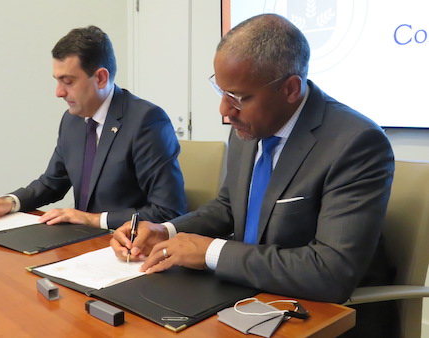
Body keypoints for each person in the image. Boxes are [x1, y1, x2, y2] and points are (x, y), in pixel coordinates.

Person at [110, 14, 398, 336]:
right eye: (220, 91)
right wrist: (166, 231)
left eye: (238, 97)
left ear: (290, 88)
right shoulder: (248, 127)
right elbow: (228, 206)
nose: (224, 110)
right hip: (246, 297)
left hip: (320, 314)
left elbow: (330, 272)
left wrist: (209, 251)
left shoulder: (356, 142)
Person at [0, 26, 186, 229]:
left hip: (126, 245)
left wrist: (92, 220)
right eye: (57, 81)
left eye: (68, 81)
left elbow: (168, 211)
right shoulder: (72, 120)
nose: (58, 92)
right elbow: (52, 182)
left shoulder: (146, 121)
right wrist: (10, 202)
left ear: (101, 78)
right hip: (80, 243)